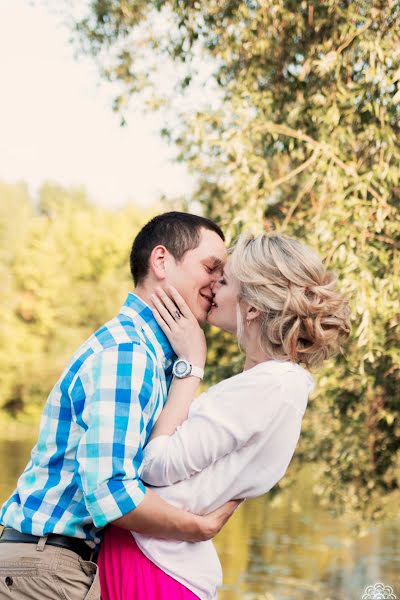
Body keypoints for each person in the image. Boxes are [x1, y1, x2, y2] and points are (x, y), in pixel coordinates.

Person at [0, 212, 241, 600]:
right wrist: (197, 528)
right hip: (46, 570)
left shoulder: (147, 354)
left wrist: (191, 363)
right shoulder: (130, 354)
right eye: (211, 267)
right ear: (161, 261)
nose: (219, 284)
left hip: (57, 565)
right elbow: (110, 493)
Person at [98, 232, 351, 600]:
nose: (214, 286)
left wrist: (192, 364)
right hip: (160, 558)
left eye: (226, 280)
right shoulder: (278, 385)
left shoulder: (267, 388)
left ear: (251, 307)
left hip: (151, 563)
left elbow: (154, 466)